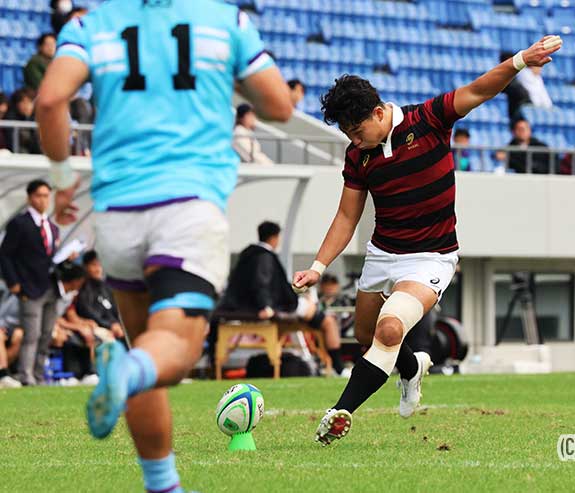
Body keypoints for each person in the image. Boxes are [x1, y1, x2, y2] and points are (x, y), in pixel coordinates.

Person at [35, 1, 292, 492]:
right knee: (175, 346)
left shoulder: (89, 23)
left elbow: (49, 101)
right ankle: (125, 374)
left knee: (143, 348)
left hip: (115, 210)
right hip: (186, 204)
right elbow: (278, 105)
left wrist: (62, 176)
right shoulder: (224, 21)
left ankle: (163, 485)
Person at [291, 35, 562, 445]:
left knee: (389, 328)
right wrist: (317, 266)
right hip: (383, 253)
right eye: (347, 132)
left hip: (431, 258)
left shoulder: (428, 119)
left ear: (380, 112)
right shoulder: (357, 155)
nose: (353, 139)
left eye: (357, 129)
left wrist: (520, 61)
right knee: (367, 336)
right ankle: (412, 368)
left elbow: (478, 89)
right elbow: (347, 215)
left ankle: (340, 412)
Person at [218, 221, 344, 375]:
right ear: (275, 237)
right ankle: (339, 368)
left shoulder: (247, 253)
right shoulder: (265, 256)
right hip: (272, 306)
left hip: (245, 304)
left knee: (310, 309)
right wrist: (266, 307)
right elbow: (261, 283)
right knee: (327, 321)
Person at [0, 179, 60, 386]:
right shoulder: (20, 223)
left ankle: (39, 373)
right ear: (30, 197)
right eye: (39, 195)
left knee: (46, 334)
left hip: (51, 287)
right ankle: (26, 375)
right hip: (29, 288)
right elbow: (5, 254)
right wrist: (13, 282)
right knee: (31, 334)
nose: (43, 200)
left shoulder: (52, 226)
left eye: (46, 195)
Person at [75, 250, 126, 341]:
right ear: (85, 267)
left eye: (100, 265)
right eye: (94, 265)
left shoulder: (105, 287)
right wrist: (110, 325)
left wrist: (118, 324)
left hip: (114, 325)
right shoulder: (82, 288)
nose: (98, 269)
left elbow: (114, 310)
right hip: (94, 326)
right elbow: (88, 312)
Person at [3, 88, 41, 154]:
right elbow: (11, 143)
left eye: (30, 102)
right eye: (23, 102)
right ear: (17, 103)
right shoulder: (10, 118)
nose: (27, 106)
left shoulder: (36, 118)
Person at [0, 291, 23, 388]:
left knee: (19, 335)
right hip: (2, 327)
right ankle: (3, 375)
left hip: (7, 327)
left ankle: (3, 375)